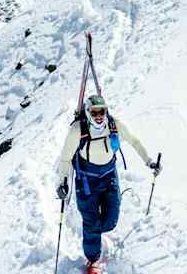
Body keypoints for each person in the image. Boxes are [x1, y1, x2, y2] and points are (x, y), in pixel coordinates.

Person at [55, 95, 159, 272]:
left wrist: (149, 161)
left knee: (110, 222)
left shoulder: (114, 125)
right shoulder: (77, 130)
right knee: (91, 222)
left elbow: (134, 141)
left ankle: (94, 234)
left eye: (102, 111)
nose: (99, 116)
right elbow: (65, 159)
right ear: (87, 112)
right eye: (94, 112)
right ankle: (92, 259)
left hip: (109, 177)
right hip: (86, 180)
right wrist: (62, 183)